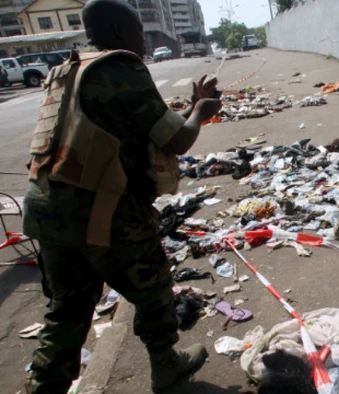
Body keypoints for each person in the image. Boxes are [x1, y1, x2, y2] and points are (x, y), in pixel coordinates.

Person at [21, 0, 222, 393]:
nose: (143, 40)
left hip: (48, 209)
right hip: (104, 210)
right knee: (153, 293)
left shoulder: (69, 69)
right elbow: (177, 139)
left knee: (67, 311)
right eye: (138, 32)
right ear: (117, 32)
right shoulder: (121, 66)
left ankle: (44, 387)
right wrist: (201, 111)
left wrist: (186, 106)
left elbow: (127, 124)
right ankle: (166, 367)